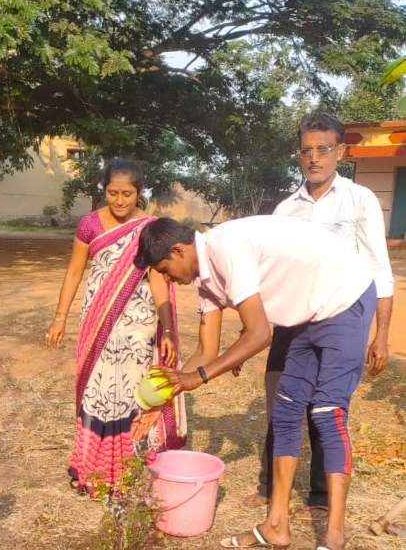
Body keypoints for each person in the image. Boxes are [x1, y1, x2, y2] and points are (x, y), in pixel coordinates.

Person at [132, 215, 377, 550]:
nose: (166, 279)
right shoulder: (207, 281)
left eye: (163, 269)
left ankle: (334, 536)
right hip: (306, 312)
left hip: (344, 297)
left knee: (327, 412)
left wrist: (197, 378)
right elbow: (206, 351)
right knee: (286, 413)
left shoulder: (225, 248)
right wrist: (161, 402)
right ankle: (277, 526)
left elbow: (259, 335)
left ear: (177, 250)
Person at [244, 109, 394, 516]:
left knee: (326, 407)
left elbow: (379, 266)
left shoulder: (359, 200)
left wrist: (380, 335)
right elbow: (266, 272)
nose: (315, 158)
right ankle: (269, 484)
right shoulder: (284, 210)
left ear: (340, 151)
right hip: (293, 320)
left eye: (324, 149)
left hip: (340, 320)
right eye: (307, 150)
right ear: (299, 154)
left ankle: (320, 495)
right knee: (281, 399)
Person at [46, 158, 186, 496]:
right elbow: (75, 272)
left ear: (139, 192)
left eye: (127, 193)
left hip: (138, 327)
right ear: (103, 190)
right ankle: (95, 469)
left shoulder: (150, 227)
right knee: (98, 393)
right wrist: (60, 316)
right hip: (97, 323)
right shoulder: (90, 225)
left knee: (130, 394)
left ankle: (132, 470)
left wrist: (166, 329)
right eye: (112, 193)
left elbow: (157, 281)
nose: (120, 201)